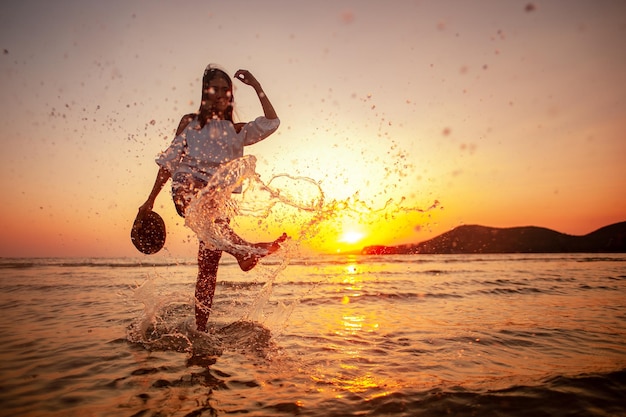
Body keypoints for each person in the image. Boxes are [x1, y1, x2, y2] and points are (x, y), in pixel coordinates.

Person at [137, 64, 287, 332]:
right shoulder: (190, 123)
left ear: (230, 95)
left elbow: (272, 122)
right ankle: (245, 251)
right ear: (205, 93)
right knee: (204, 205)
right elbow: (170, 163)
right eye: (214, 89)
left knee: (208, 269)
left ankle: (201, 330)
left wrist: (257, 87)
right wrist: (149, 201)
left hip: (218, 202)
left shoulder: (238, 131)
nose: (220, 94)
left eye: (225, 90)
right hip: (187, 188)